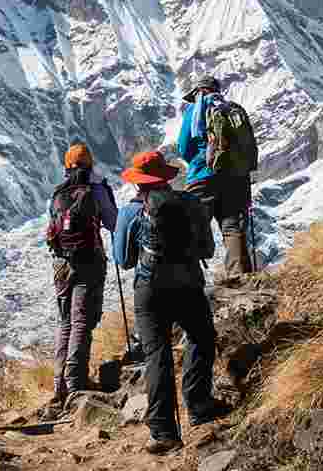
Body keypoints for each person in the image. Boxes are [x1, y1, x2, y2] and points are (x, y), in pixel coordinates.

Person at [114, 151, 232, 455]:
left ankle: (164, 432)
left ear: (139, 183)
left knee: (157, 355)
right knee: (201, 338)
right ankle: (199, 405)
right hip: (189, 285)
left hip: (149, 289)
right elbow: (206, 249)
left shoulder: (131, 212)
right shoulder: (191, 203)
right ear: (167, 178)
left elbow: (123, 260)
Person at [40, 143, 118, 420]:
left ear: (67, 165)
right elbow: (112, 222)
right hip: (89, 260)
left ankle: (59, 384)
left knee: (65, 322)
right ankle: (76, 382)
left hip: (61, 263)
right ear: (90, 164)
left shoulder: (58, 192)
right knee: (82, 320)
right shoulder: (96, 189)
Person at [178, 74, 258, 278]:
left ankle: (191, 283)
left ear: (198, 92)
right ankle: (240, 278)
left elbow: (184, 147)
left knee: (192, 228)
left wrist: (199, 161)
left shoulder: (195, 110)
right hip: (235, 178)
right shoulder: (232, 110)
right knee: (232, 227)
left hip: (202, 177)